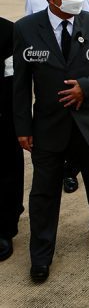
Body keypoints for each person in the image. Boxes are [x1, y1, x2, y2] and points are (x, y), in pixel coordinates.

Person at [13, 0, 89, 283]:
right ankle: (41, 256)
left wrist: (85, 88)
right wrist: (22, 128)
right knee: (43, 193)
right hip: (48, 126)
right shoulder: (26, 29)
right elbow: (21, 84)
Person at [0, 15, 22, 262]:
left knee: (6, 170)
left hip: (2, 116)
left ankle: (5, 226)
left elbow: (13, 82)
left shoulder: (7, 31)